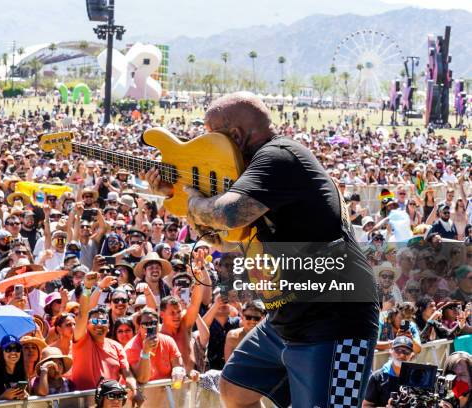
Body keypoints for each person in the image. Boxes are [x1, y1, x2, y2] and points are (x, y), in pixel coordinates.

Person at [144, 92, 379, 408]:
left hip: (336, 322)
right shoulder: (254, 173)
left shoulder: (279, 157)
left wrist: (190, 201)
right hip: (288, 318)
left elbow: (228, 213)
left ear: (236, 136)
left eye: (210, 137)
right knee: (235, 388)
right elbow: (228, 238)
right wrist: (178, 195)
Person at [70, 272, 140, 401]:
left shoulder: (116, 346)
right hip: (84, 402)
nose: (99, 325)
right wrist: (87, 288)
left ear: (109, 326)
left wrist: (135, 391)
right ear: (87, 324)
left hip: (111, 402)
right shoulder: (81, 340)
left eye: (103, 322)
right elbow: (82, 314)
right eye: (95, 321)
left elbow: (127, 373)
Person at [362, 336, 416, 407]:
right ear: (391, 351)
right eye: (398, 350)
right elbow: (366, 405)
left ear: (411, 355)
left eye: (407, 352)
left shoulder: (417, 377)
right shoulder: (377, 377)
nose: (402, 354)